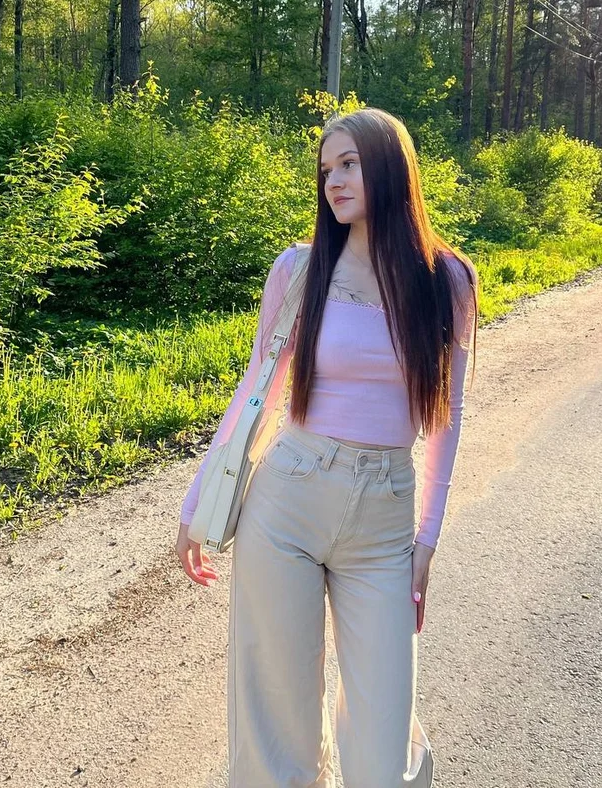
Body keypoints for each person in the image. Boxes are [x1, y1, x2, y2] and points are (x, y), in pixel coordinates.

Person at [175, 107, 478, 787]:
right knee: (277, 726)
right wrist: (197, 504)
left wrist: (427, 539)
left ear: (392, 168)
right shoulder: (300, 269)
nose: (333, 181)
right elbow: (257, 387)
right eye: (325, 170)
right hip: (288, 499)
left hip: (384, 518)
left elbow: (448, 418)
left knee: (381, 735)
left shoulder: (448, 280)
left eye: (349, 164)